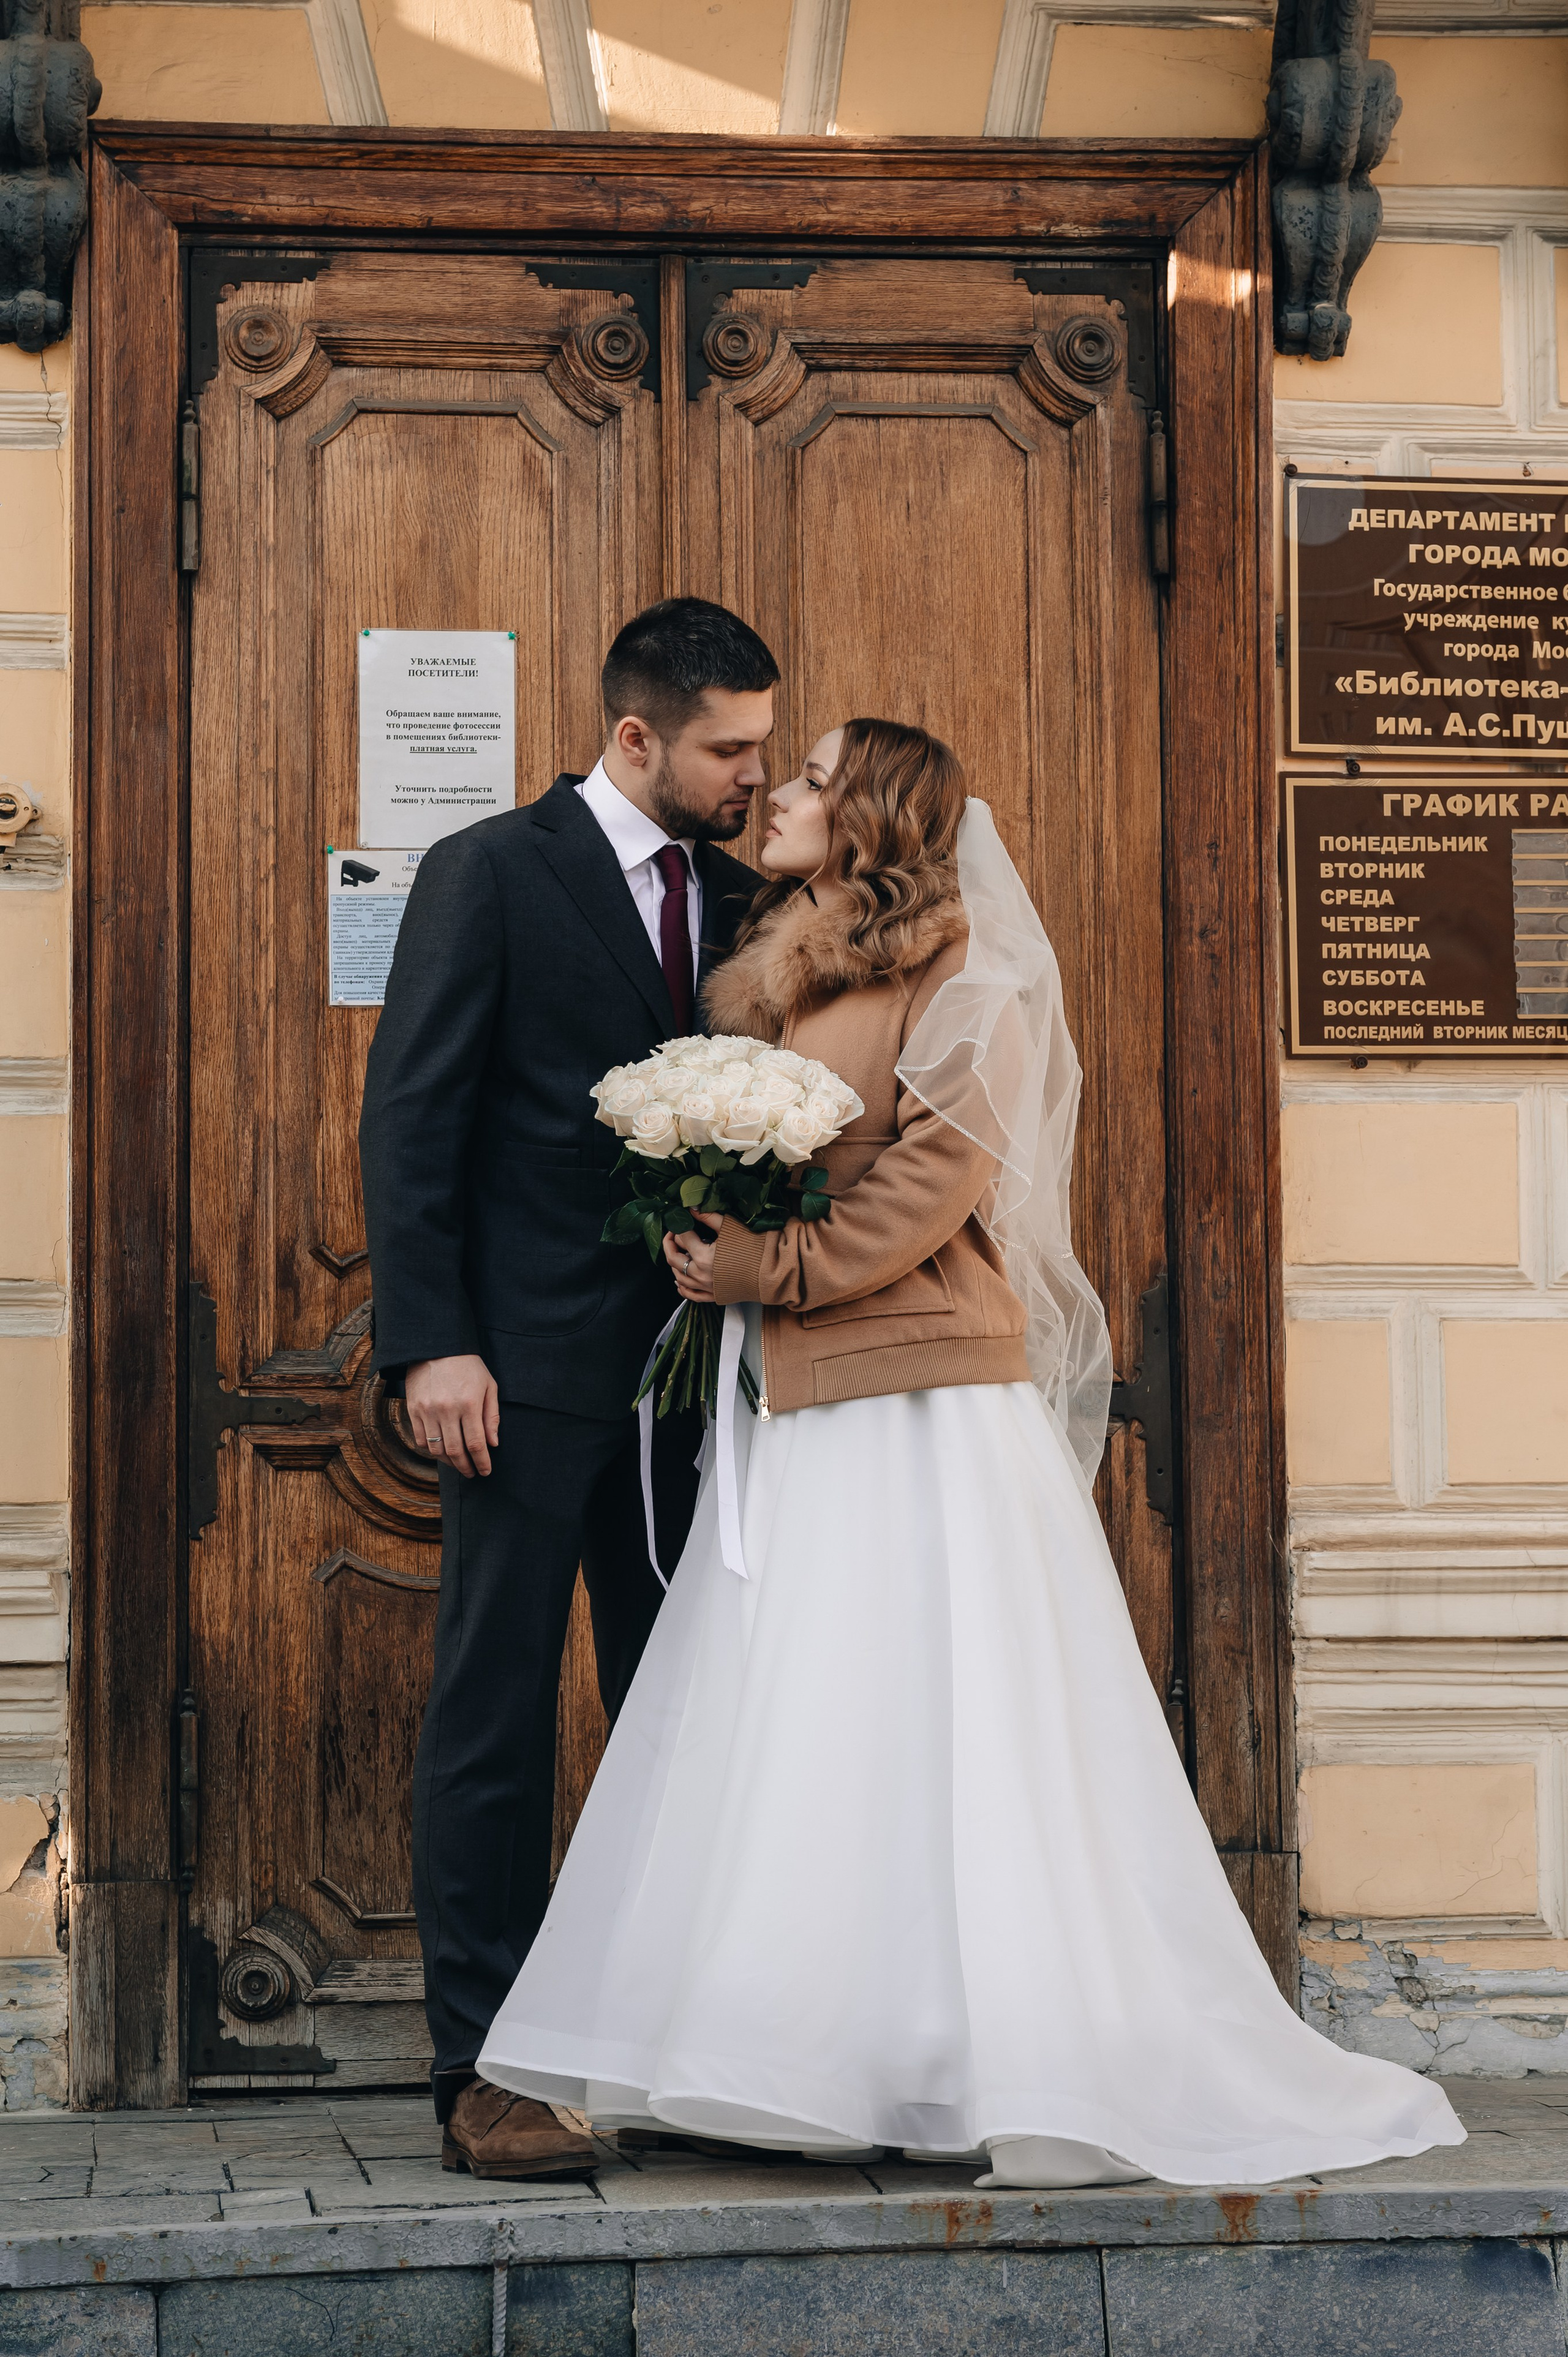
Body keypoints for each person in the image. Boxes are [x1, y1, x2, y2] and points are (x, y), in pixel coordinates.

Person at [476, 717, 1464, 2188]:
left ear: (868, 816)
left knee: (940, 1721)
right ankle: (799, 2051)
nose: (781, 794)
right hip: (795, 1401)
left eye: (812, 779)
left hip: (915, 1398)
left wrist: (772, 1266)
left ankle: (986, 2051)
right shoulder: (781, 964)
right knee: (808, 1721)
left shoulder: (965, 980)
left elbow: (934, 1182)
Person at [358, 598, 774, 2181]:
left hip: (699, 1385)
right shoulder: (490, 872)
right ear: (636, 736)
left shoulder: (741, 898)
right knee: (497, 1712)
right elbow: (414, 1118)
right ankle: (484, 2069)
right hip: (519, 1376)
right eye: (728, 749)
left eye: (761, 746)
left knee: (690, 1713)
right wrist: (432, 1341)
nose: (753, 773)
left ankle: (672, 2042)